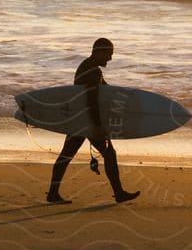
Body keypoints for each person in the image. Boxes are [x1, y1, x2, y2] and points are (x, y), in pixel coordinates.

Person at [46, 37, 140, 205]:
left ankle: (53, 193)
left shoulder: (86, 66)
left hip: (79, 119)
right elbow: (91, 101)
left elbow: (104, 90)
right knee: (109, 154)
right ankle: (119, 193)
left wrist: (125, 98)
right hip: (86, 120)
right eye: (108, 54)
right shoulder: (93, 71)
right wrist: (97, 127)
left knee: (66, 155)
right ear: (99, 52)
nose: (110, 58)